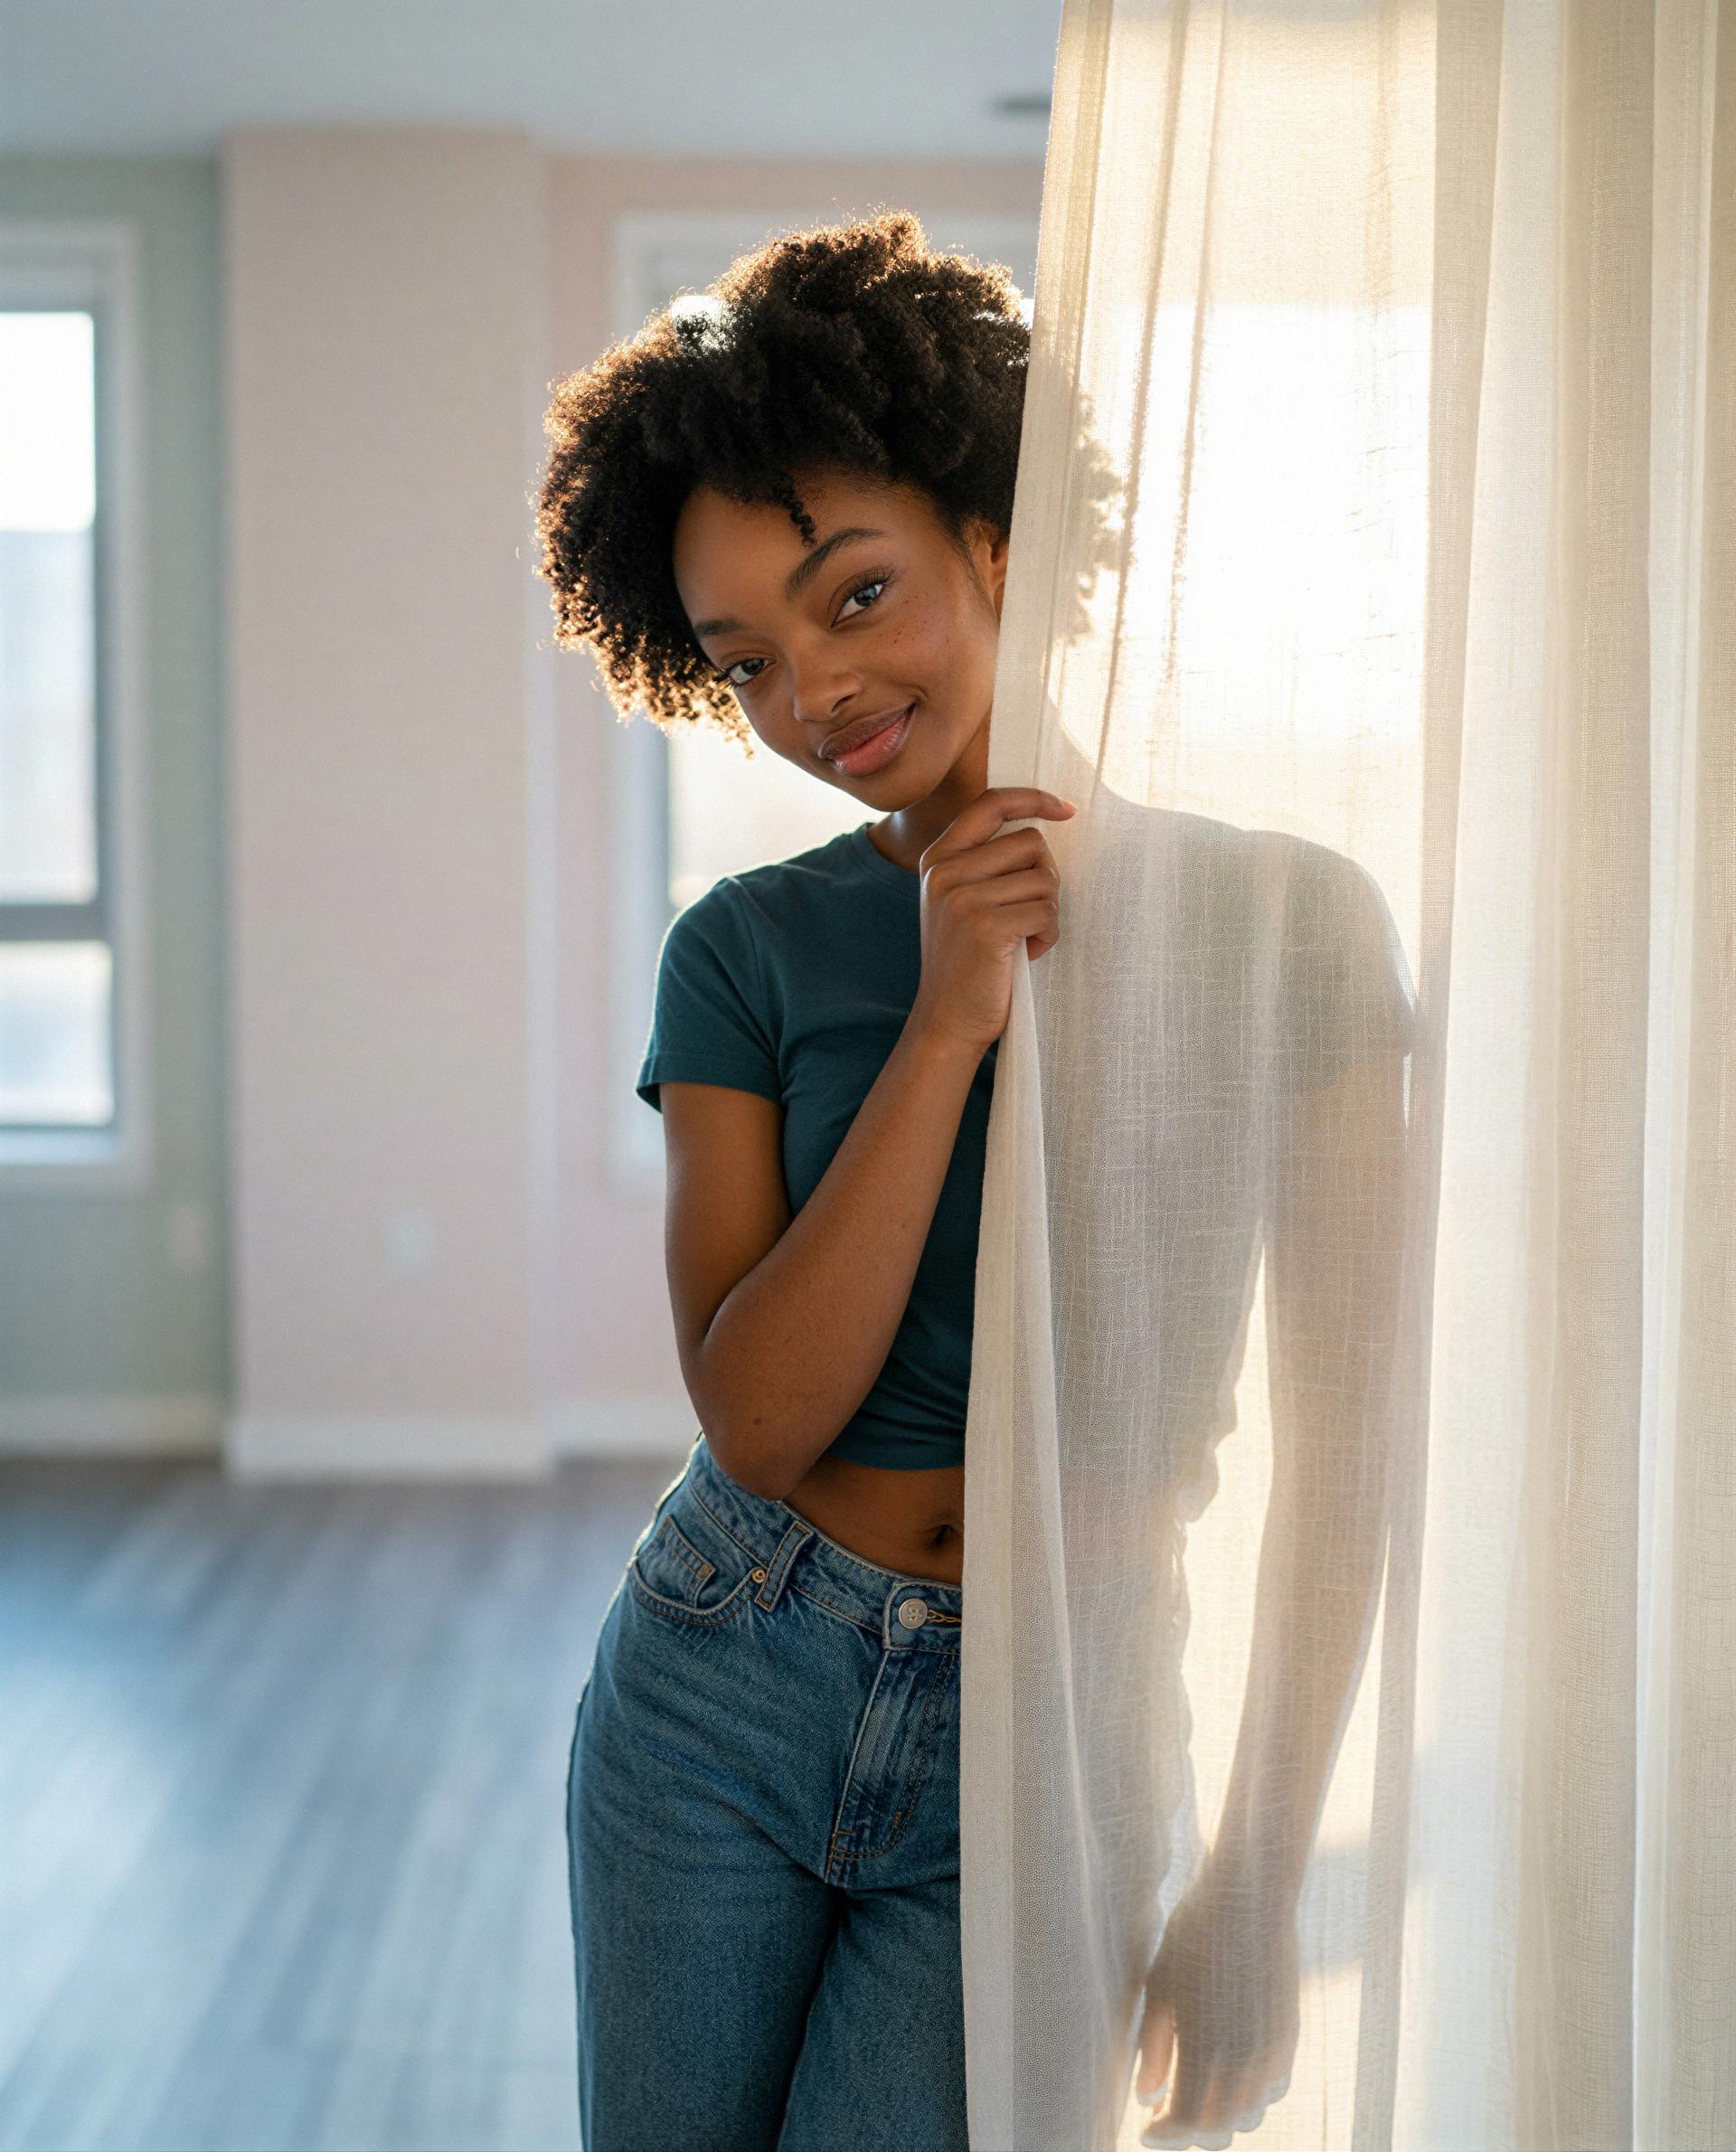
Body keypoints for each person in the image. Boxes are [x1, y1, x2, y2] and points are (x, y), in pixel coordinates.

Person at [533, 209, 1068, 2152]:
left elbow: (1348, 1430)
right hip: (722, 1678)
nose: (812, 697)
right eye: (747, 657)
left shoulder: (1255, 932)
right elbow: (755, 1418)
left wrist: (1262, 1851)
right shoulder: (744, 949)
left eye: (855, 596)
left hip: (1048, 1719)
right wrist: (942, 1031)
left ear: (995, 543)